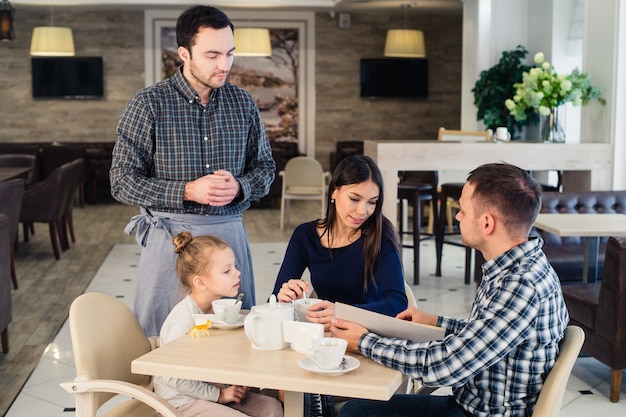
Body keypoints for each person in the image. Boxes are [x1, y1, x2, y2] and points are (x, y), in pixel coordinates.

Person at [331, 162, 570, 417]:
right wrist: (438, 323)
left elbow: (446, 366)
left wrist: (364, 342)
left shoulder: (522, 286)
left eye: (463, 211)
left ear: (487, 223)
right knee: (356, 409)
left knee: (354, 414)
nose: (457, 217)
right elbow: (487, 335)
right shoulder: (517, 266)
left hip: (479, 413)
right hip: (469, 405)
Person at [109, 5, 275, 336]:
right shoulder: (148, 104)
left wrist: (241, 187)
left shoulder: (243, 103)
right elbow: (121, 181)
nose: (224, 64)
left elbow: (266, 169)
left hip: (229, 240)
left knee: (232, 338)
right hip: (170, 241)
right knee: (164, 337)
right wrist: (187, 191)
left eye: (229, 53)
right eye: (212, 54)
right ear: (184, 53)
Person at [154, 232, 283, 417]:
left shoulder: (219, 310)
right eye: (227, 270)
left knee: (272, 408)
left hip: (211, 393)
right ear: (200, 282)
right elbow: (172, 377)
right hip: (180, 402)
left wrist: (236, 382)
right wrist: (218, 395)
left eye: (234, 267)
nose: (237, 273)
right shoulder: (184, 320)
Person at [272, 155, 408, 330]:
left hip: (370, 335)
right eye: (354, 199)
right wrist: (285, 298)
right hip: (325, 336)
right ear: (334, 192)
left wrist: (344, 313)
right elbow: (275, 298)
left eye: (372, 202)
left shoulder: (381, 235)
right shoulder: (305, 235)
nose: (362, 211)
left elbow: (398, 303)